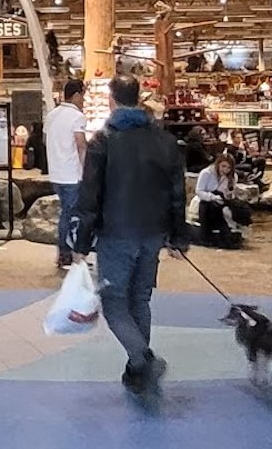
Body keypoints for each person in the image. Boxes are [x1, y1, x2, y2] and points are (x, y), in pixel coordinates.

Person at [72, 75, 187, 395]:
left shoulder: (103, 141)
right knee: (140, 298)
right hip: (153, 233)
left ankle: (142, 359)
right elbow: (178, 192)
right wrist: (178, 236)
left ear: (111, 99)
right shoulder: (164, 140)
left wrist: (81, 243)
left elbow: (90, 195)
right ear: (138, 98)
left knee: (114, 303)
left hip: (115, 233)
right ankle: (137, 371)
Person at [44, 79, 88, 270]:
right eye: (83, 95)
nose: (83, 100)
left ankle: (67, 253)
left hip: (56, 172)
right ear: (76, 95)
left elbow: (46, 140)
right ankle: (66, 253)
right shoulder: (76, 117)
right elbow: (81, 145)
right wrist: (87, 170)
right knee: (71, 215)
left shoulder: (52, 115)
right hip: (72, 173)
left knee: (66, 212)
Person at [194, 153, 252, 248]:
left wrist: (230, 194)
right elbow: (199, 191)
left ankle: (238, 228)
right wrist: (212, 197)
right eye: (223, 166)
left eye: (229, 168)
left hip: (223, 200)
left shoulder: (232, 176)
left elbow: (230, 194)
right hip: (206, 200)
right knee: (214, 208)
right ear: (218, 164)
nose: (225, 170)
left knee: (241, 208)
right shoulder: (206, 173)